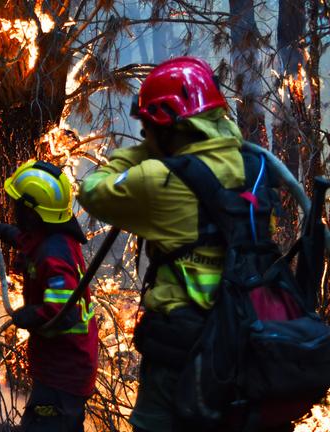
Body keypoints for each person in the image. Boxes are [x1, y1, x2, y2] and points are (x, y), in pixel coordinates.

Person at [77, 56, 293, 432]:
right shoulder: (256, 169)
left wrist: (148, 151)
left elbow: (92, 190)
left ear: (167, 124)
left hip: (182, 349)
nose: (144, 134)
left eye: (147, 127)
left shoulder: (160, 178)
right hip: (251, 340)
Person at [0, 160, 98, 432]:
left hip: (64, 371)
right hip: (59, 365)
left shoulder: (54, 255)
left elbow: (66, 313)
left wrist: (33, 315)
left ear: (31, 211)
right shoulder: (48, 235)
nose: (13, 206)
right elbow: (23, 238)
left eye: (18, 203)